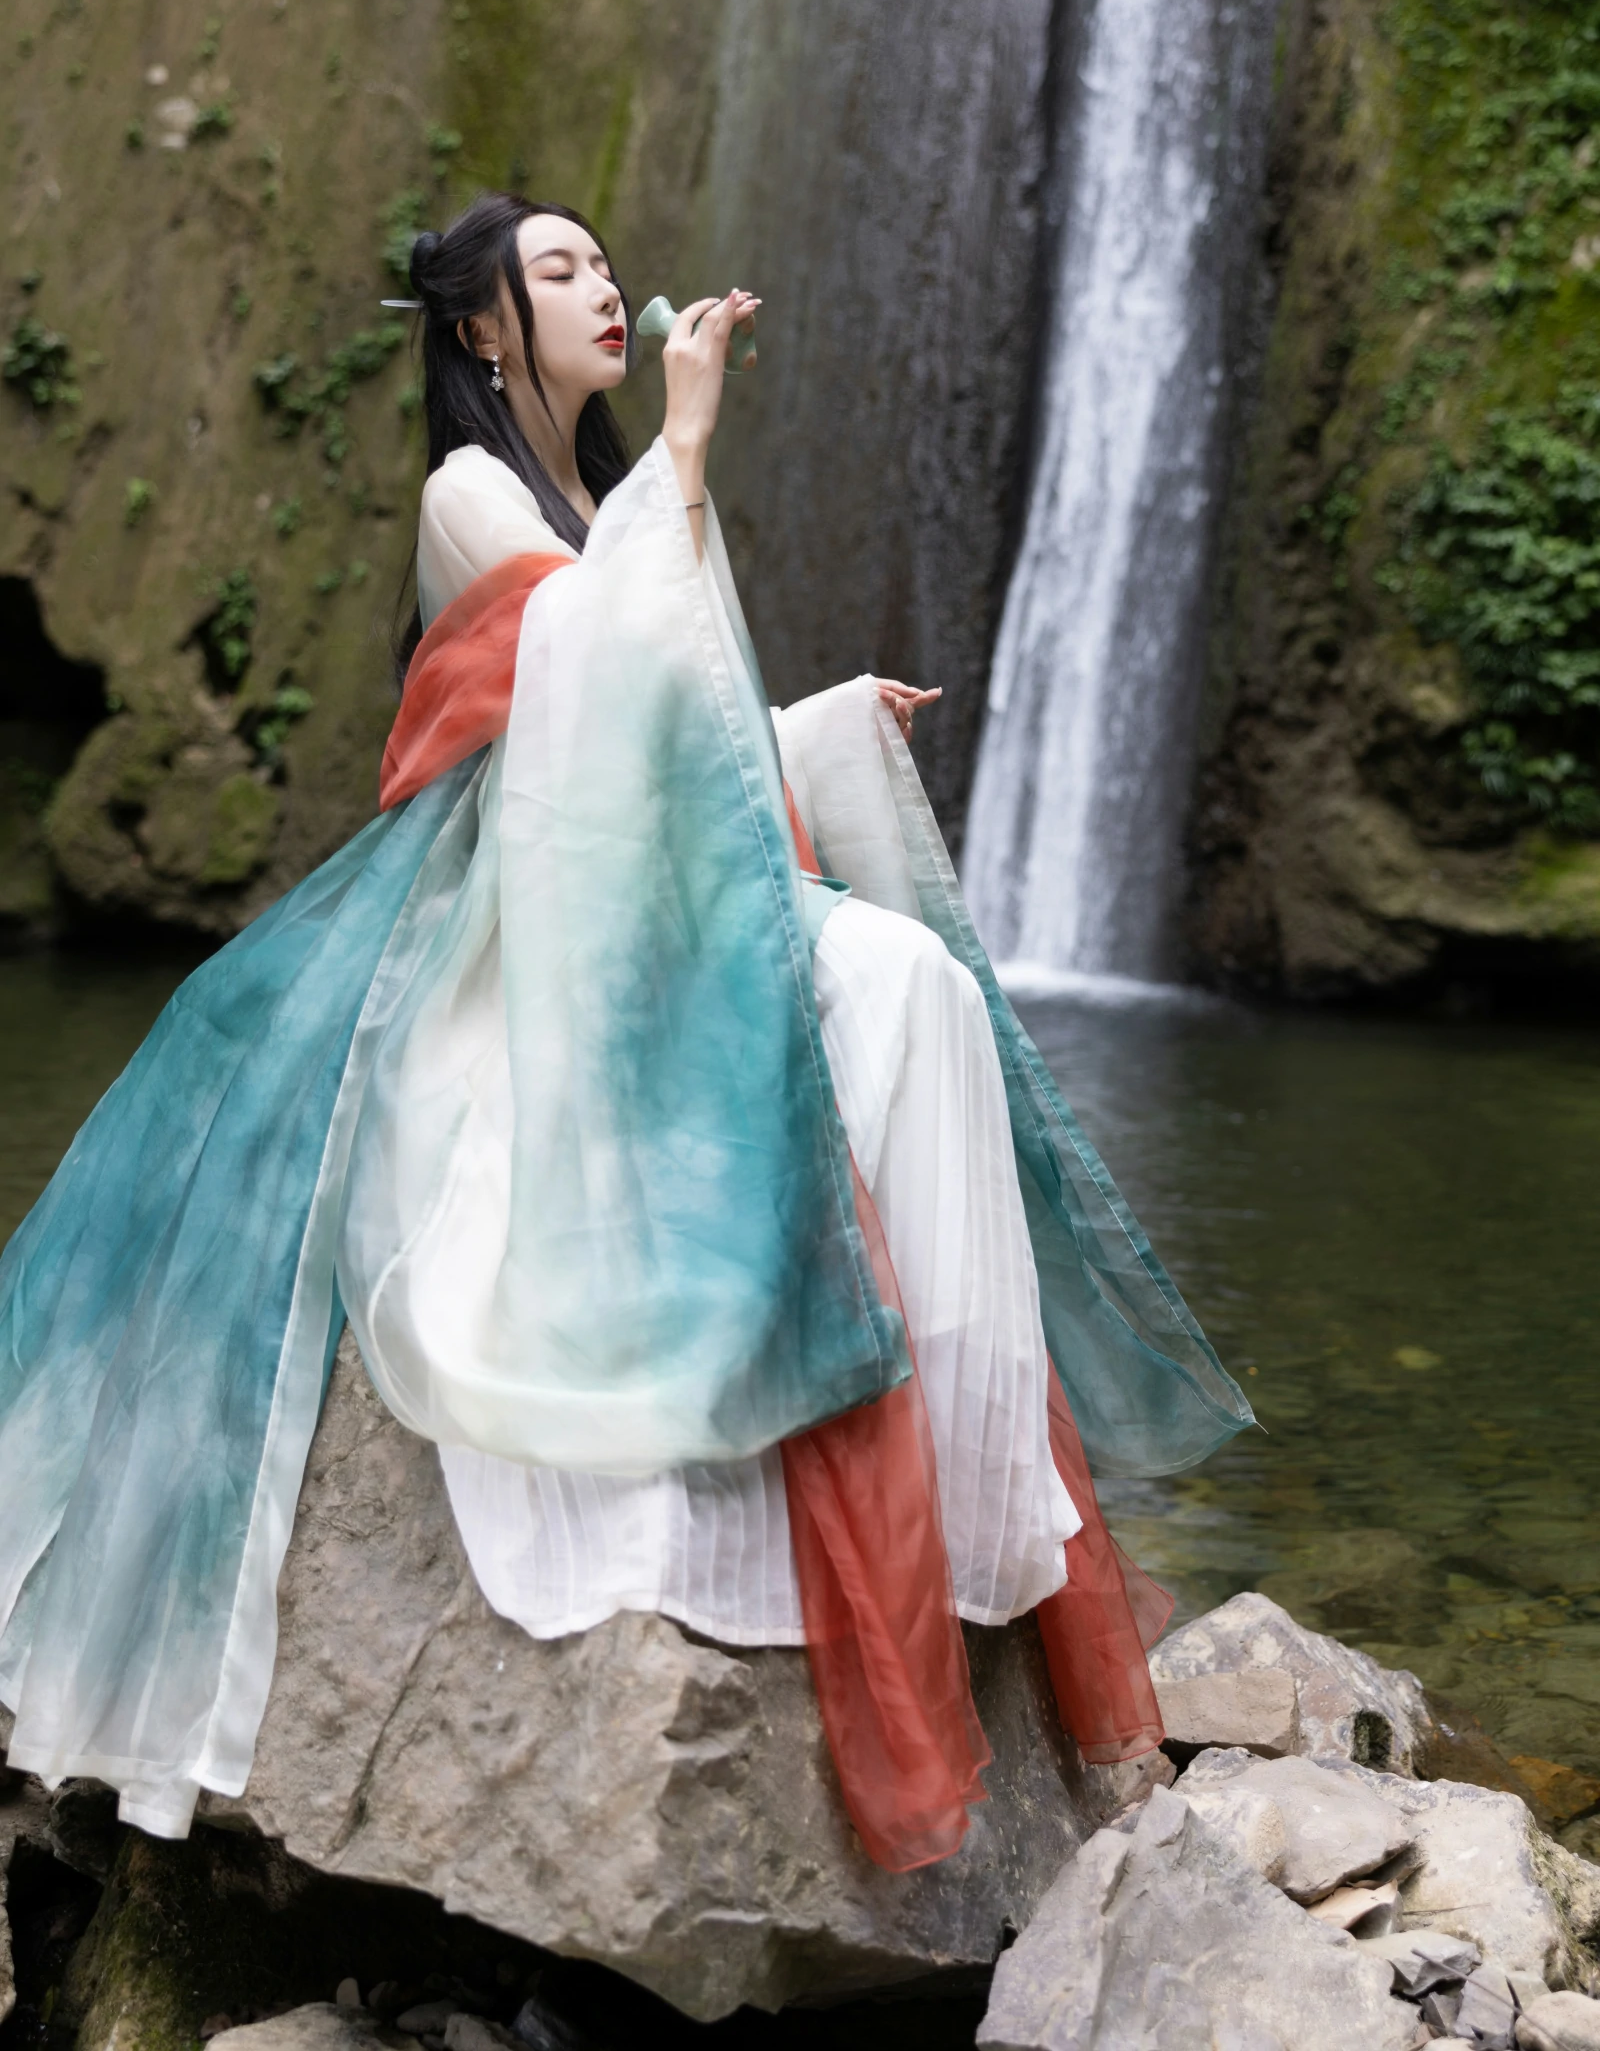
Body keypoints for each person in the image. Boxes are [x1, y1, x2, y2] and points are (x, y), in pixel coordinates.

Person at [0, 194, 1251, 1872]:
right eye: (560, 270)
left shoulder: (617, 500)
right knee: (895, 988)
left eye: (602, 262)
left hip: (648, 900)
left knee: (924, 994)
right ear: (483, 328)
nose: (604, 288)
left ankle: (961, 1488)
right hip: (524, 926)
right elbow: (594, 679)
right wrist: (688, 446)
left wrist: (823, 725)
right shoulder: (468, 495)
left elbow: (694, 732)